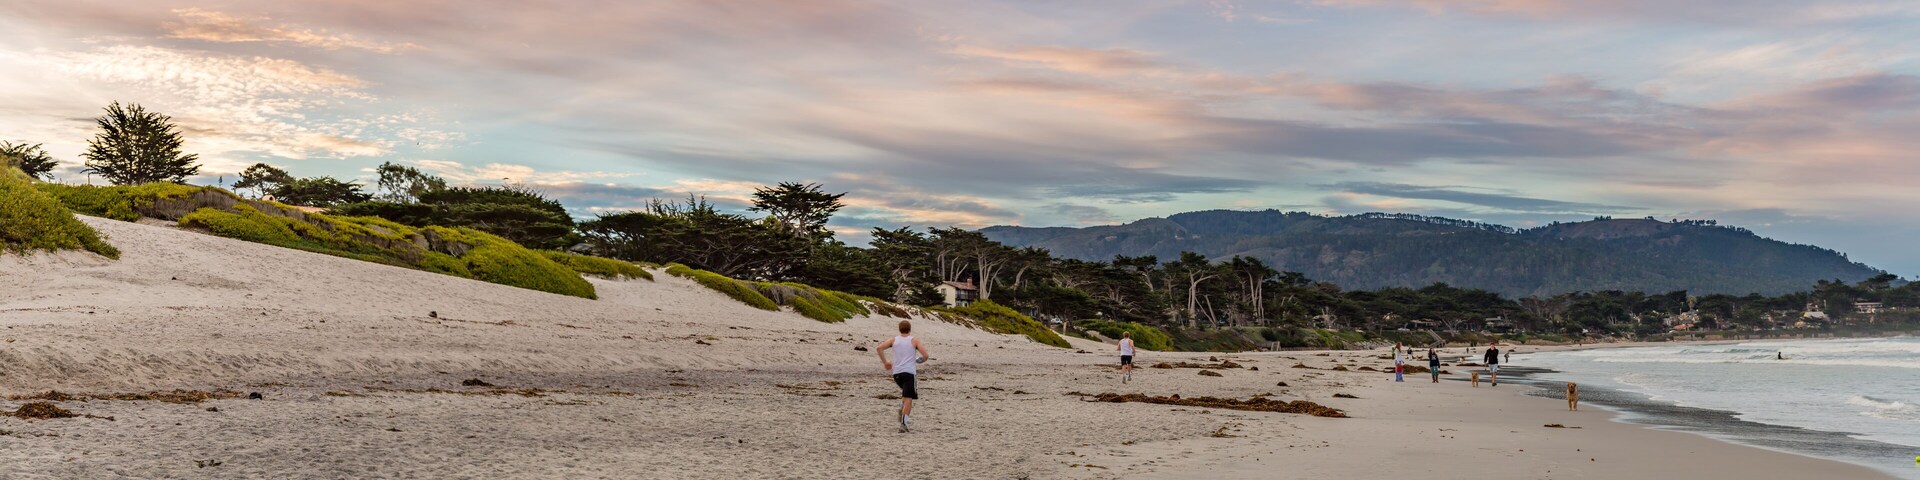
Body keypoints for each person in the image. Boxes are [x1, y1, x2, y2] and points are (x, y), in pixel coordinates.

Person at [876, 320, 931, 433]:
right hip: (909, 373)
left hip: (897, 374)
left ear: (900, 329)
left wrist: (885, 362)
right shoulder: (914, 341)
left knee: (905, 395)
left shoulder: (893, 340)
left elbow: (879, 348)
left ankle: (902, 407)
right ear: (910, 329)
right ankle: (904, 423)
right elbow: (925, 355)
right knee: (908, 399)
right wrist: (919, 360)